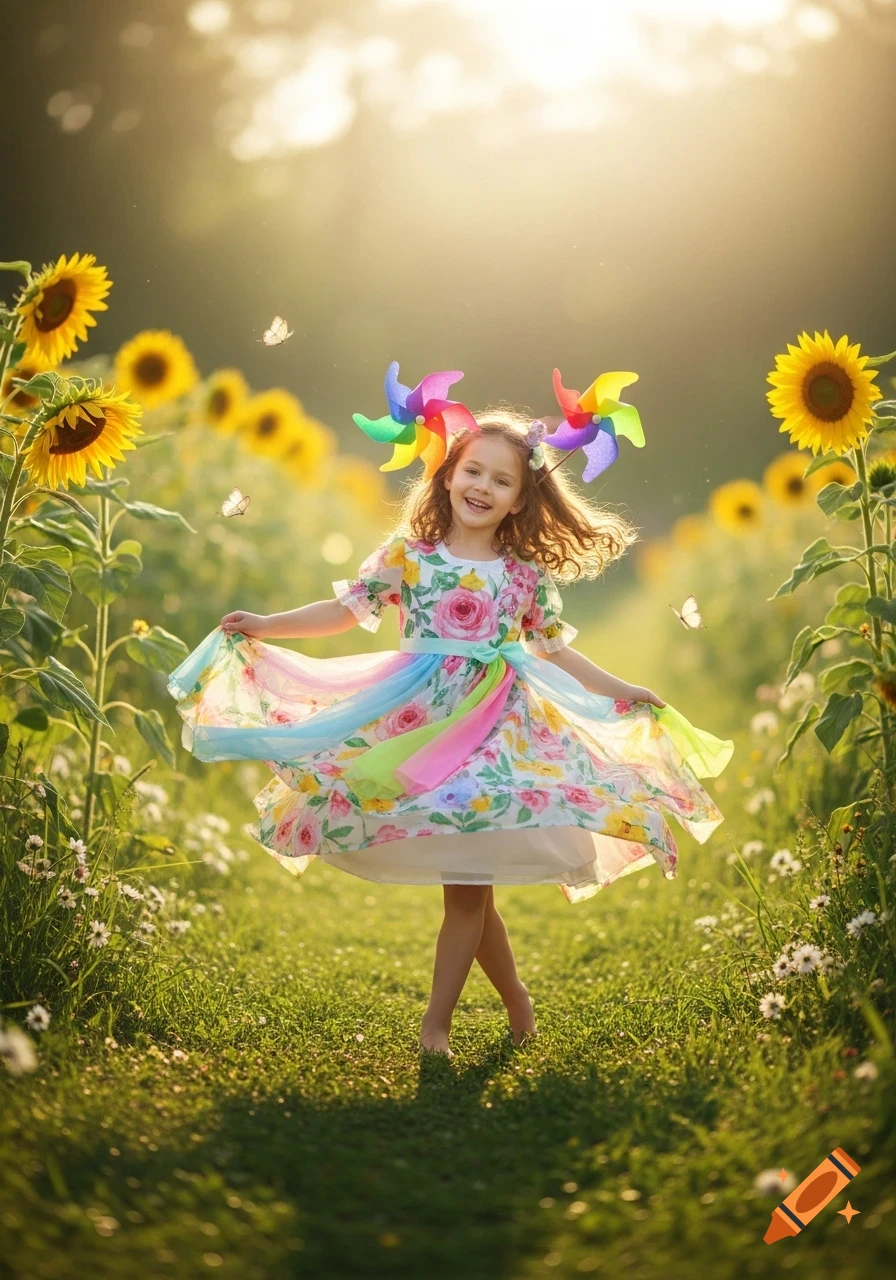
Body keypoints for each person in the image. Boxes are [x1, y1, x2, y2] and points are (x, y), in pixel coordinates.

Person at [168, 410, 732, 1059]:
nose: (483, 488)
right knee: (470, 883)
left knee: (467, 885)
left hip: (496, 730)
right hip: (417, 725)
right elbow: (344, 611)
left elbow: (554, 651)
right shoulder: (409, 553)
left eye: (502, 480)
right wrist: (267, 624)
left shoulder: (522, 572)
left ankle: (436, 1026)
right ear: (447, 474)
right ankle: (517, 998)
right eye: (473, 471)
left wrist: (622, 690)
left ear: (522, 498)